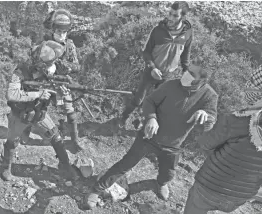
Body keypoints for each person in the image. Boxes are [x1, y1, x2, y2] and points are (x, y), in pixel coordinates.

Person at [85, 64, 218, 209]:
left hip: (173, 144)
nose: (186, 73)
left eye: (192, 73)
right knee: (125, 164)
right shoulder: (171, 85)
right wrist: (151, 118)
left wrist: (206, 116)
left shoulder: (209, 96)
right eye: (187, 70)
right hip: (149, 136)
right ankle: (96, 190)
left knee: (168, 174)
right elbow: (149, 101)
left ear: (201, 81)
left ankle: (160, 184)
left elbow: (210, 122)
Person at [183, 67, 262, 214]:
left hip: (211, 186)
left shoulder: (239, 120)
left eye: (252, 83)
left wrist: (206, 122)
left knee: (196, 207)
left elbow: (206, 143)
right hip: (240, 195)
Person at [2, 40, 78, 181]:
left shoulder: (50, 75)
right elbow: (11, 95)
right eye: (49, 64)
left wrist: (61, 94)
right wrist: (37, 94)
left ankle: (65, 166)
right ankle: (6, 167)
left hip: (39, 114)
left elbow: (57, 103)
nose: (52, 67)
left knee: (56, 138)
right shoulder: (20, 72)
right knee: (11, 142)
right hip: (20, 115)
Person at [119, 1, 193, 127]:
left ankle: (142, 122)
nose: (170, 17)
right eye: (170, 13)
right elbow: (146, 52)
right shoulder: (158, 30)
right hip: (150, 72)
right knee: (138, 99)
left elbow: (186, 55)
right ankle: (123, 118)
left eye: (175, 15)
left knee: (156, 103)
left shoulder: (188, 33)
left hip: (168, 75)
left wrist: (187, 71)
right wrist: (152, 68)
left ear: (183, 17)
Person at [22, 8, 81, 145]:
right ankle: (24, 134)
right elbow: (33, 62)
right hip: (44, 83)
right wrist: (46, 65)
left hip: (62, 84)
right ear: (53, 30)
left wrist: (67, 66)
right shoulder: (43, 43)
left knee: (71, 113)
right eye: (59, 31)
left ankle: (75, 141)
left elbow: (77, 66)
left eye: (64, 32)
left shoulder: (70, 46)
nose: (62, 35)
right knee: (35, 110)